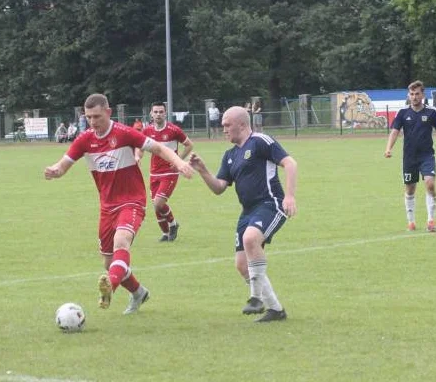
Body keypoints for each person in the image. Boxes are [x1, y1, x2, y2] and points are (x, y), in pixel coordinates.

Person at [44, 93, 193, 314]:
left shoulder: (124, 133)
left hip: (132, 201)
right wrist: (54, 171)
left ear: (108, 112)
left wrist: (179, 163)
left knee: (121, 241)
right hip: (107, 207)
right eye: (88, 117)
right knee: (109, 262)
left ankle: (109, 288)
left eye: (97, 116)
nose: (92, 122)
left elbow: (159, 148)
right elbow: (63, 165)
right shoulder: (84, 139)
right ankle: (138, 292)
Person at [189, 106, 297, 323]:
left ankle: (256, 297)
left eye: (227, 125)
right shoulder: (230, 155)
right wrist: (203, 171)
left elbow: (290, 163)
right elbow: (219, 187)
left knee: (250, 238)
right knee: (241, 265)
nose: (223, 129)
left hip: (271, 204)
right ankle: (275, 310)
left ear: (242, 124)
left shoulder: (260, 141)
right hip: (247, 211)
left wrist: (290, 196)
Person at [384, 81, 436, 232]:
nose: (414, 97)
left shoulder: (432, 112)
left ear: (423, 95)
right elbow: (395, 132)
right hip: (409, 158)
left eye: (417, 94)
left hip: (427, 155)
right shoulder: (402, 113)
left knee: (430, 184)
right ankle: (411, 221)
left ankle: (431, 221)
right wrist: (388, 148)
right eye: (412, 94)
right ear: (408, 95)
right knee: (410, 189)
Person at [135, 102, 194, 242]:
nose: (158, 114)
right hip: (154, 173)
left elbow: (189, 145)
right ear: (151, 113)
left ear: (165, 113)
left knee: (158, 203)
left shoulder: (174, 130)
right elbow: (140, 148)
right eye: (155, 112)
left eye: (161, 112)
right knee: (156, 207)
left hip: (170, 172)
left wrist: (178, 160)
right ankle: (166, 234)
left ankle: (173, 224)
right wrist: (137, 156)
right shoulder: (147, 131)